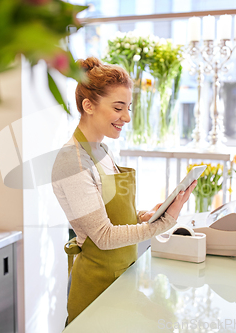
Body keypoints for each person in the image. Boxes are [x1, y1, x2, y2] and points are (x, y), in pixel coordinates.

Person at [51, 57, 196, 326]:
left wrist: (145, 215)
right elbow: (104, 236)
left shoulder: (102, 150)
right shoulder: (72, 161)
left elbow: (113, 212)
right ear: (88, 106)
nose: (127, 117)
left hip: (122, 279)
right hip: (97, 289)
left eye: (128, 108)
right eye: (119, 108)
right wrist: (163, 224)